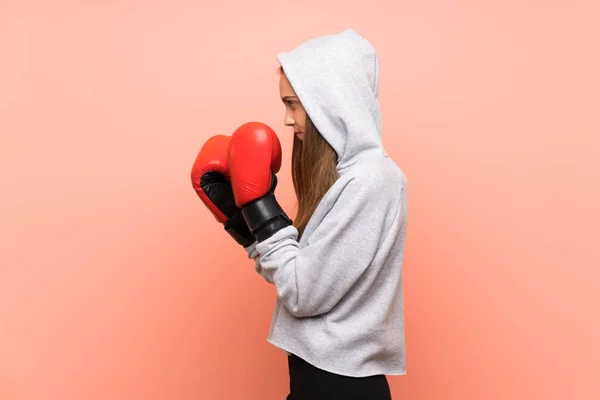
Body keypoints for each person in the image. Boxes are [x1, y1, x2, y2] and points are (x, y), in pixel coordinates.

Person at [191, 28, 408, 400]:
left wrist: (260, 209)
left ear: (331, 100)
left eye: (293, 103)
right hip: (319, 376)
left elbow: (303, 293)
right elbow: (296, 275)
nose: (287, 121)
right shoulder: (349, 178)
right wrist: (246, 226)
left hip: (340, 384)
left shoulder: (372, 181)